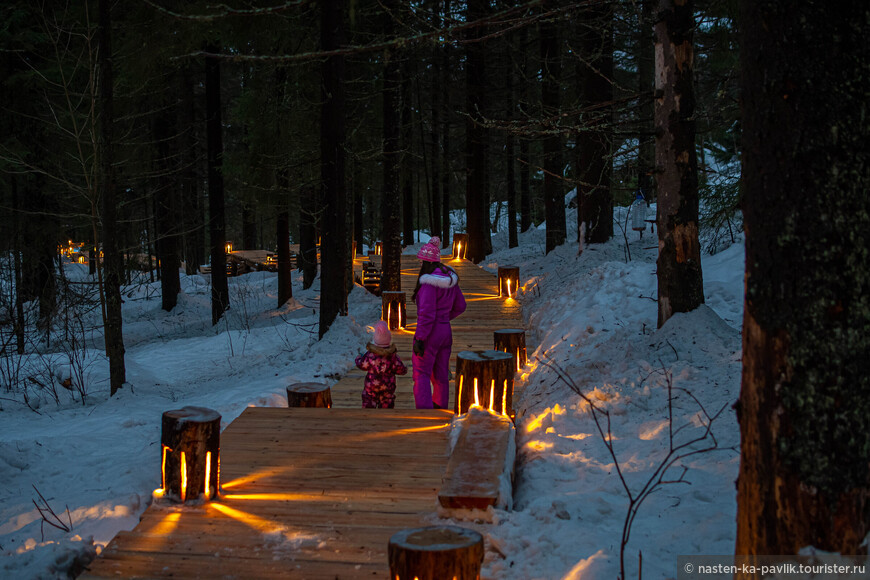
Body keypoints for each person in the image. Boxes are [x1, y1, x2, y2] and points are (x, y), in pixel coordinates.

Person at [411, 237, 466, 409]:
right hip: (445, 332)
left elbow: (426, 315)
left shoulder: (428, 283)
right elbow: (461, 306)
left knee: (421, 374)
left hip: (430, 334)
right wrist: (444, 319)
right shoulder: (450, 280)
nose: (420, 265)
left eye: (421, 262)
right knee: (441, 374)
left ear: (426, 262)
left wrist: (420, 338)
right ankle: (440, 409)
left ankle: (425, 413)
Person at [355, 320, 407, 408]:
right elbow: (400, 369)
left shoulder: (370, 355)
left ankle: (368, 416)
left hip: (371, 388)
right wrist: (405, 368)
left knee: (368, 402)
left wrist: (358, 358)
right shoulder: (392, 357)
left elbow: (362, 365)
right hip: (388, 389)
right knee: (387, 404)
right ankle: (385, 417)